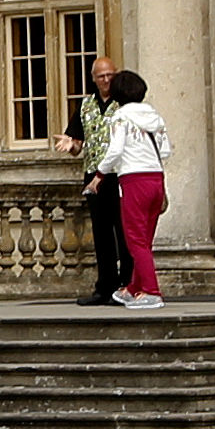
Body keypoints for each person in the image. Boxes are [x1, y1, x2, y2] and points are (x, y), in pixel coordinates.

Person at [95, 69, 170, 308]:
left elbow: (115, 150)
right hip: (155, 178)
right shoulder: (155, 117)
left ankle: (151, 290)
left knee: (135, 240)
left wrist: (100, 173)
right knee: (144, 240)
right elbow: (166, 150)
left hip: (134, 179)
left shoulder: (120, 117)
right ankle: (135, 287)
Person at [70, 49, 132, 305]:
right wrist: (70, 145)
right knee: (102, 233)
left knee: (125, 233)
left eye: (110, 75)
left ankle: (127, 285)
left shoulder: (126, 104)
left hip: (121, 176)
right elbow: (77, 143)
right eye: (101, 76)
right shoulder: (86, 105)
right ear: (93, 78)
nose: (106, 80)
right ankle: (104, 286)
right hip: (93, 176)